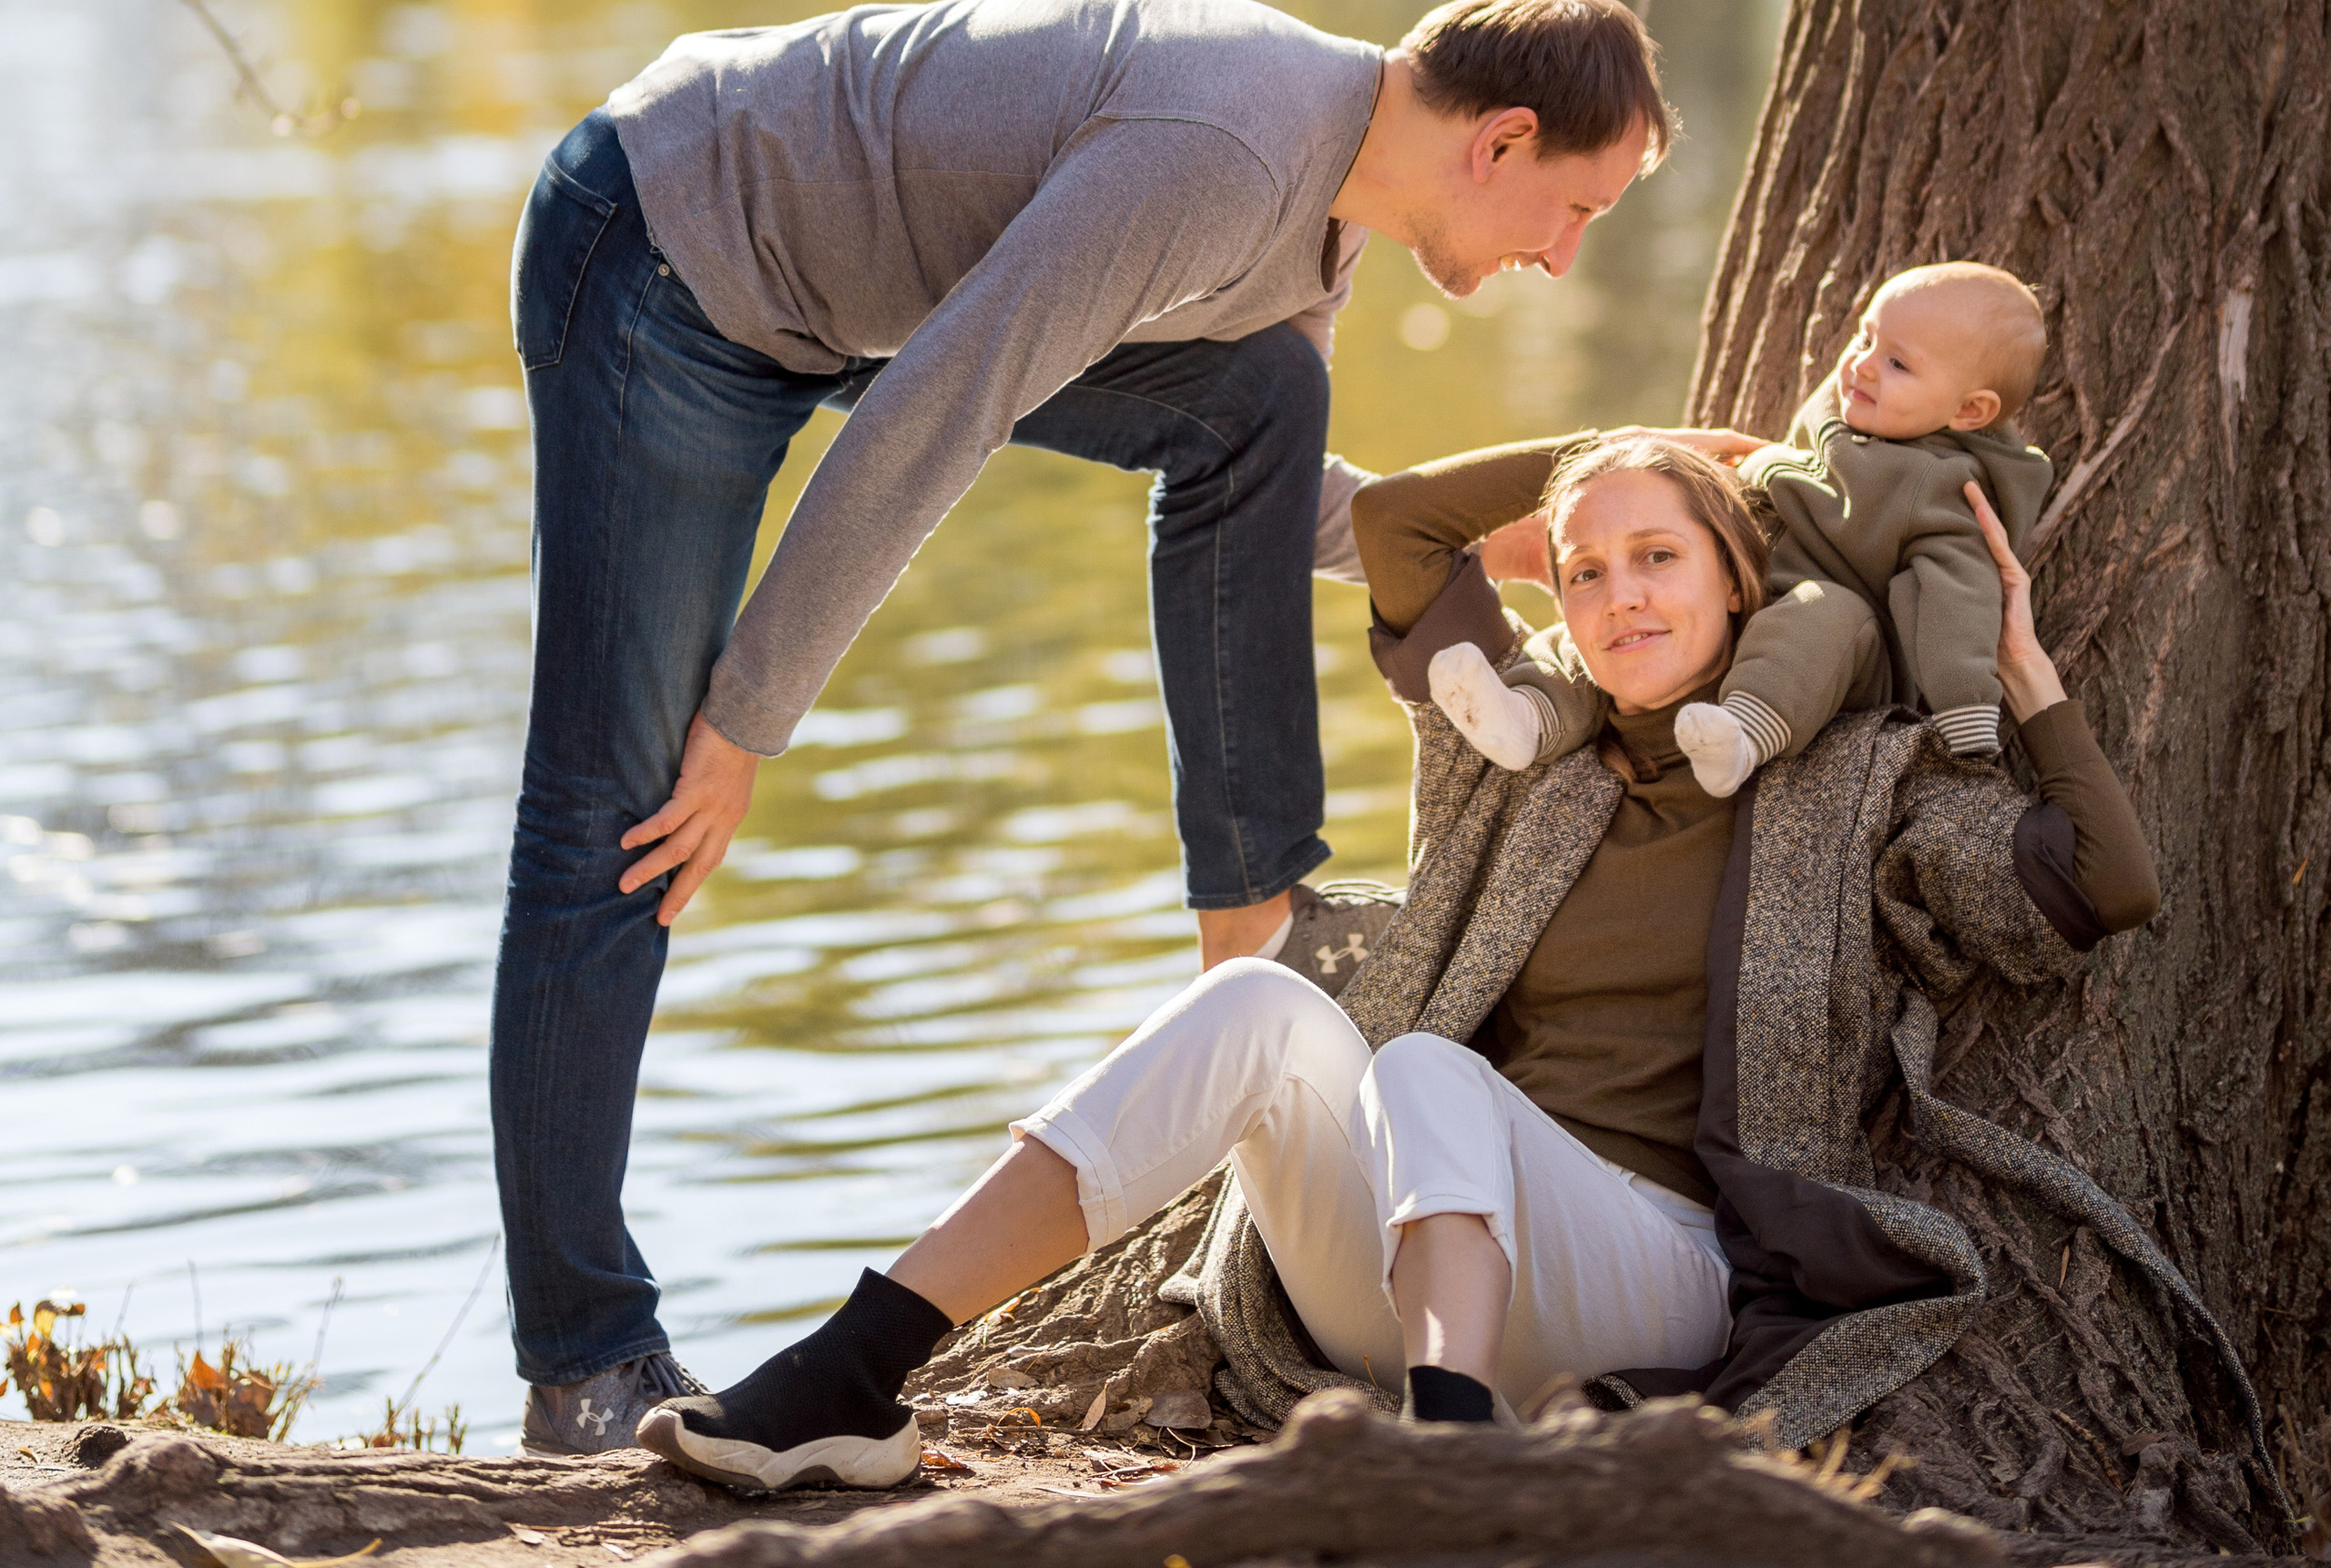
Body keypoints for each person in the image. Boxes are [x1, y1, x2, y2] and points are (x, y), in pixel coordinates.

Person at [496, 0, 1672, 1449]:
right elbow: (945, 407)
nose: (1565, 260)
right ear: (1501, 141)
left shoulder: (1322, 225)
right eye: (1579, 210)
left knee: (1259, 398)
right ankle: (585, 1362)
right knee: (626, 820)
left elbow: (1265, 480)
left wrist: (1496, 538)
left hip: (847, 311)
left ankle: (1253, 920)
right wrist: (745, 723)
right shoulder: (1223, 151)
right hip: (676, 247)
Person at [634, 432, 2190, 1495]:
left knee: (1427, 1070)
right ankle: (853, 1375)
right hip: (1396, 1266)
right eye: (1584, 571)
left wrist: (2030, 684)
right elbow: (1405, 523)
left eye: (1659, 555)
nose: (1618, 595)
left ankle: (1454, 1457)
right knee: (1256, 1002)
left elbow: (2102, 889)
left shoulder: (1857, 779)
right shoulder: (1523, 757)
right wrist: (1646, 441)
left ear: (1740, 578)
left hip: (1653, 1280)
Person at [1427, 262, 2054, 794]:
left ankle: (1743, 734)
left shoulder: (1940, 488)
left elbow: (1960, 599)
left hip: (1836, 650)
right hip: (1748, 602)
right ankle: (1526, 716)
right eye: (1864, 339)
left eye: (1897, 363)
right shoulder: (1852, 417)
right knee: (1610, 621)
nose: (1862, 366)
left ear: (1970, 410)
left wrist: (1968, 717)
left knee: (1821, 610)